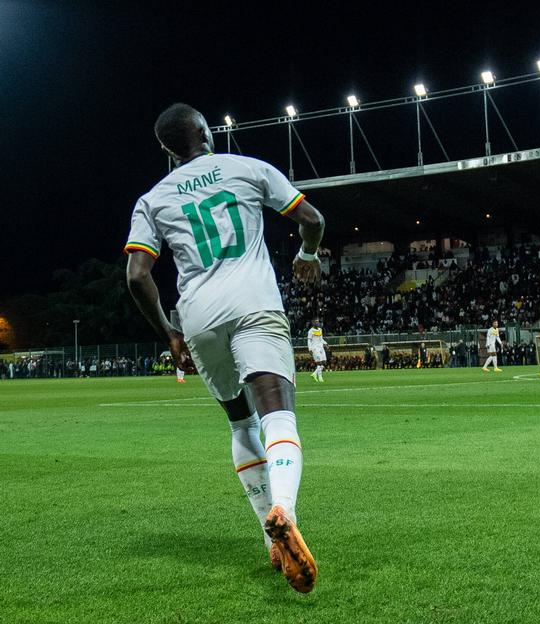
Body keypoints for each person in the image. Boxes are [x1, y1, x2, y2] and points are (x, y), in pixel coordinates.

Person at [124, 103, 322, 593]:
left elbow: (137, 275)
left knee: (240, 422)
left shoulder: (153, 199)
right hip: (254, 303)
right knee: (278, 415)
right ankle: (284, 511)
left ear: (167, 148)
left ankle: (270, 536)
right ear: (205, 132)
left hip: (199, 318)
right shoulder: (247, 167)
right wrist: (307, 253)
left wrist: (170, 333)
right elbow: (312, 218)